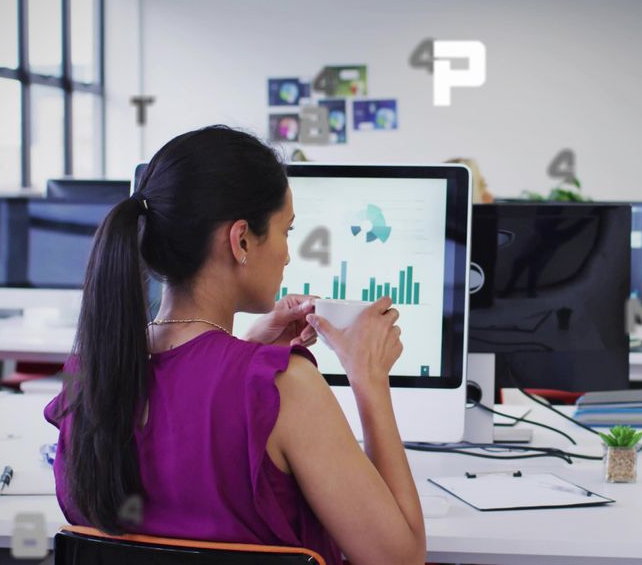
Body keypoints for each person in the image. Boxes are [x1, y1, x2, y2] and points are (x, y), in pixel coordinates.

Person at [44, 126, 426, 565]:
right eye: (287, 231)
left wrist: (243, 350)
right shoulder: (285, 386)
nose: (287, 254)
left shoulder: (91, 373)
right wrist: (369, 377)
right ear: (241, 239)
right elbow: (398, 560)